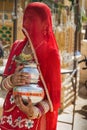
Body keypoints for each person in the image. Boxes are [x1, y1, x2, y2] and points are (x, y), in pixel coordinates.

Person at [0, 2, 61, 130]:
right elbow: (3, 84)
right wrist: (12, 80)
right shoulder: (17, 46)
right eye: (25, 17)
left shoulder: (50, 53)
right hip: (9, 115)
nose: (26, 22)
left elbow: (54, 99)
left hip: (33, 121)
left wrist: (32, 111)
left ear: (44, 23)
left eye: (32, 18)